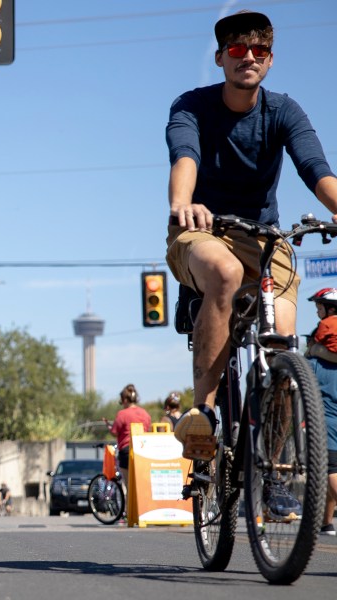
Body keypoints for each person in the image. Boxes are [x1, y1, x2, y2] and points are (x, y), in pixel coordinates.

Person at [165, 10, 337, 461]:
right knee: (221, 272)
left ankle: (273, 463)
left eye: (258, 50)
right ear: (221, 57)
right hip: (201, 229)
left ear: (270, 60)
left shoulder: (283, 111)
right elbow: (184, 157)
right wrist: (183, 203)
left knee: (282, 339)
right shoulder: (192, 106)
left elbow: (318, 174)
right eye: (238, 50)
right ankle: (202, 412)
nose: (248, 58)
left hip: (264, 238)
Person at [303, 289, 337, 536]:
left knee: (332, 470)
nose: (317, 312)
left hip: (328, 423)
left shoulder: (315, 363)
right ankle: (325, 523)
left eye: (319, 308)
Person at [106, 384, 152, 490]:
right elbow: (148, 430)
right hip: (143, 451)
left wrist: (109, 427)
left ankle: (129, 506)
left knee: (129, 486)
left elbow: (114, 432)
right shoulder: (145, 414)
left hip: (127, 451)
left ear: (125, 400)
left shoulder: (122, 414)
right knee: (141, 485)